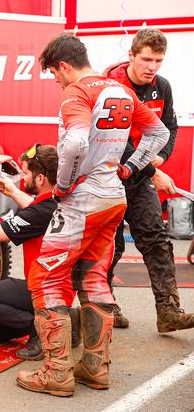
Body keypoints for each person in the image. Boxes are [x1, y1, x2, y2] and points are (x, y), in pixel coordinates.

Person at [15, 33, 169, 397]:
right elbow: (158, 133)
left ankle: (56, 373)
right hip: (113, 196)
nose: (56, 81)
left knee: (46, 280)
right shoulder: (120, 89)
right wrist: (130, 167)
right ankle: (95, 368)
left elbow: (74, 143)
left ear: (63, 66)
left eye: (54, 74)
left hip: (82, 200)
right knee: (95, 278)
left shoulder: (77, 92)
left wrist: (64, 184)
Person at [0, 144, 81, 362]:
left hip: (44, 290)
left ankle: (44, 327)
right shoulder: (57, 201)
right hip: (60, 288)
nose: (22, 177)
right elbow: (35, 208)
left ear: (40, 178)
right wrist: (13, 192)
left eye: (26, 173)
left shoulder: (40, 212)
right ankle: (64, 316)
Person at [103, 28, 194, 332]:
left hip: (140, 177)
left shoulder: (162, 86)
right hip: (107, 178)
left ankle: (169, 312)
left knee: (157, 240)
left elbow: (169, 126)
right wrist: (154, 173)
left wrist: (162, 157)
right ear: (131, 55)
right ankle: (105, 308)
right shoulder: (112, 86)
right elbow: (118, 143)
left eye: (158, 60)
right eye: (146, 59)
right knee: (110, 246)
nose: (152, 67)